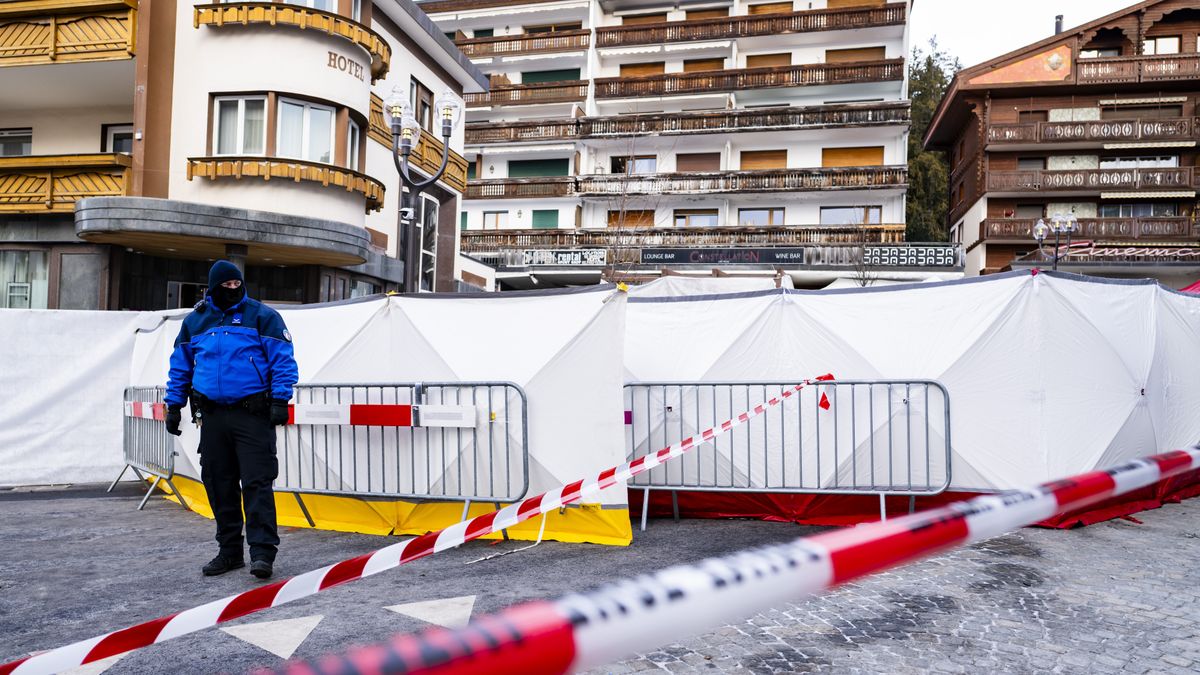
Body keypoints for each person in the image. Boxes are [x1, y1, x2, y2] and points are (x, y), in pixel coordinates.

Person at [164, 261, 297, 580]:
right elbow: (181, 365)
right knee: (218, 483)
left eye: (238, 284)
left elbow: (282, 359)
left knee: (256, 483)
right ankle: (229, 552)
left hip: (253, 414)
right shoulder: (196, 321)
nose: (233, 289)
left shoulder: (262, 316)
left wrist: (280, 399)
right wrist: (173, 404)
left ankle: (262, 553)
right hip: (212, 417)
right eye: (227, 285)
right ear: (212, 287)